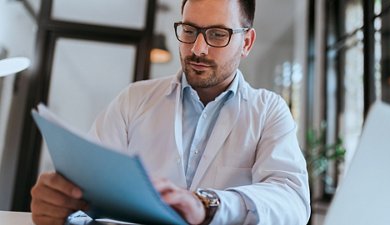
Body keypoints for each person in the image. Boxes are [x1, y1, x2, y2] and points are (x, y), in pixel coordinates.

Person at [30, 0, 311, 224]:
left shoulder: (268, 111)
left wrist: (209, 205)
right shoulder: (133, 100)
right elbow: (87, 189)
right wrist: (61, 209)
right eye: (190, 31)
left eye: (217, 34)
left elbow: (293, 201)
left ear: (246, 43)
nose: (198, 49)